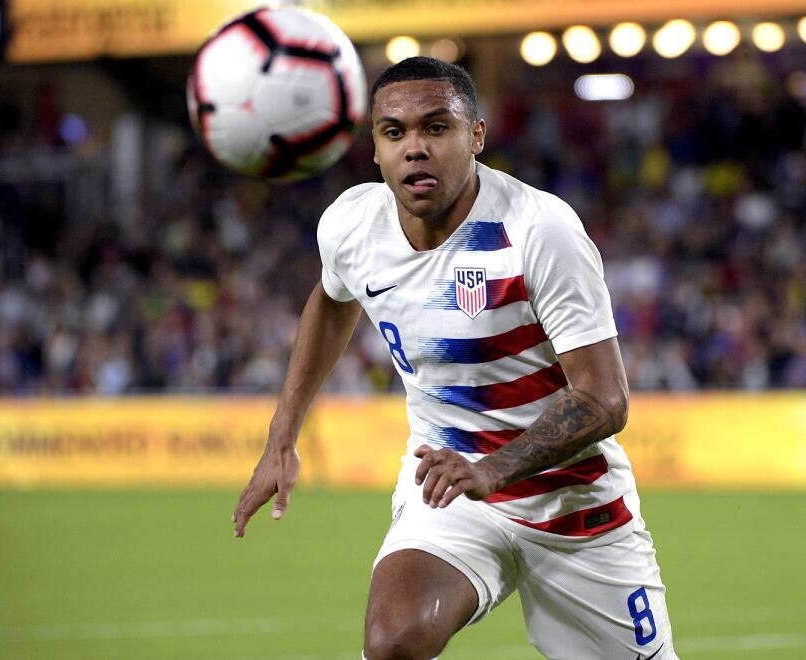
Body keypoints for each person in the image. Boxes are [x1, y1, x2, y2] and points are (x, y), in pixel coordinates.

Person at [232, 56, 676, 660]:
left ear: (477, 137)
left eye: (436, 128)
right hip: (448, 490)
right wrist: (282, 436)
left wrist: (493, 471)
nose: (414, 148)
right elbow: (333, 301)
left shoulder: (539, 230)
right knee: (394, 644)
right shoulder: (352, 226)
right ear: (374, 149)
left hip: (572, 506)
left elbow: (604, 397)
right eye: (395, 132)